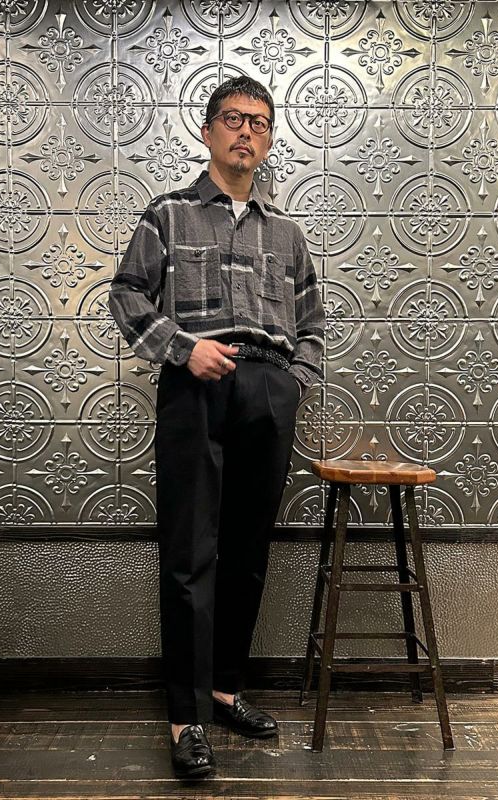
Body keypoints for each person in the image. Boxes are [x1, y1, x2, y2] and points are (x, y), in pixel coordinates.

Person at [109, 75, 325, 779]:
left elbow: (312, 322)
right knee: (189, 552)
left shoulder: (287, 233)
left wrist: (292, 385)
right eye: (233, 119)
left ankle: (226, 690)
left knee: (247, 551)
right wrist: (182, 348)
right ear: (207, 132)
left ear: (269, 139)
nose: (246, 132)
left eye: (259, 122)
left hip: (267, 389)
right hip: (194, 388)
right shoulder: (168, 214)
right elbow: (126, 293)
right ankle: (186, 717)